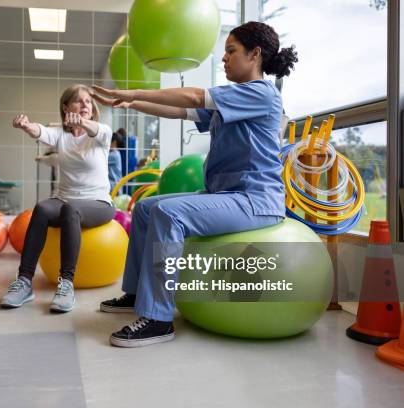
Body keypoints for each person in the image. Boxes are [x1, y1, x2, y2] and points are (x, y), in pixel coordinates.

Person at [92, 21, 298, 347]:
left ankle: (159, 318)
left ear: (255, 54)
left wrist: (133, 91)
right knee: (146, 207)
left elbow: (193, 95)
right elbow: (183, 111)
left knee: (169, 215)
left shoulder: (262, 94)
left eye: (231, 51)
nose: (224, 59)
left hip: (255, 199)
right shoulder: (234, 99)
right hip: (226, 194)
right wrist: (132, 104)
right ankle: (135, 293)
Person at [1, 84, 116, 313]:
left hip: (99, 203)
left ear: (92, 109)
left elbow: (95, 129)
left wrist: (82, 122)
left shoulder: (101, 133)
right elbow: (40, 131)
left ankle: (66, 284)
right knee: (42, 208)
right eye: (78, 101)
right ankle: (24, 282)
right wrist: (26, 126)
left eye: (88, 102)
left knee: (70, 209)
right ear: (66, 107)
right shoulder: (61, 136)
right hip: (65, 200)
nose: (85, 105)